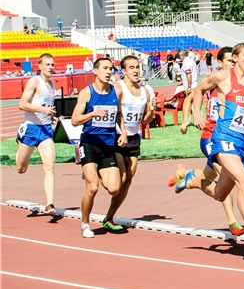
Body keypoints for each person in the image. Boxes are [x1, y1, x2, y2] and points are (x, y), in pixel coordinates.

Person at [172, 43, 244, 251]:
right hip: (223, 139)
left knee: (220, 193)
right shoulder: (223, 77)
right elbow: (199, 89)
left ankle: (192, 180)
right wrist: (197, 113)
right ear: (236, 58)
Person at [170, 47, 244, 236]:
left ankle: (187, 174)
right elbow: (189, 98)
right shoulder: (213, 82)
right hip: (210, 138)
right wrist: (191, 118)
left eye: (234, 61)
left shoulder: (234, 83)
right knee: (227, 177)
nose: (233, 64)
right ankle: (232, 222)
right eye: (230, 61)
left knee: (209, 175)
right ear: (220, 62)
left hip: (227, 139)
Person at [71, 57, 128, 238]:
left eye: (111, 68)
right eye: (105, 68)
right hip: (89, 143)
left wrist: (124, 132)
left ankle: (93, 172)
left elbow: (119, 114)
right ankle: (85, 224)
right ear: (95, 71)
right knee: (93, 187)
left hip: (107, 145)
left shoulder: (115, 91)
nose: (109, 72)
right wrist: (93, 113)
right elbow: (74, 120)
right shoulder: (87, 93)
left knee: (114, 189)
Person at [102, 55, 156, 231]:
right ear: (123, 71)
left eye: (137, 67)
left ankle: (109, 217)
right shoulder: (118, 88)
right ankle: (98, 169)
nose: (135, 70)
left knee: (128, 181)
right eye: (131, 67)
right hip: (117, 136)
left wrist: (152, 111)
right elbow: (115, 113)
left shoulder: (145, 91)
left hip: (134, 138)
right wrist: (122, 131)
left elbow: (146, 120)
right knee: (121, 178)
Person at [15, 53, 57, 216]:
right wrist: (43, 110)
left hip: (45, 130)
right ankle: (19, 145)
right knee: (21, 168)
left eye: (52, 64)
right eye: (47, 64)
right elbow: (22, 104)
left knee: (49, 167)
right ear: (39, 66)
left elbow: (47, 106)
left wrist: (51, 116)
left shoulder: (52, 85)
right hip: (31, 128)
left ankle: (50, 204)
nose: (50, 68)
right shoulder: (34, 81)